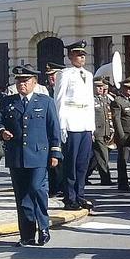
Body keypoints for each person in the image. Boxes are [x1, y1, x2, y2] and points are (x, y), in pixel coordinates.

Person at [0, 66, 62, 246]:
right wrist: (2, 132)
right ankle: (27, 234)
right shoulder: (8, 102)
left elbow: (53, 128)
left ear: (34, 82)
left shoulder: (45, 102)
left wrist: (55, 153)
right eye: (18, 81)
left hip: (39, 154)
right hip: (16, 155)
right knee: (22, 196)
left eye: (25, 81)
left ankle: (44, 227)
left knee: (36, 189)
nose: (21, 84)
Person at [54, 40, 95, 210]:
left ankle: (80, 195)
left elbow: (90, 101)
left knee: (82, 163)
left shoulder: (89, 75)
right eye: (78, 55)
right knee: (70, 163)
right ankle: (70, 197)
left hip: (85, 122)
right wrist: (61, 125)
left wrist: (92, 126)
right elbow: (59, 100)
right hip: (71, 121)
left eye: (83, 55)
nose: (82, 58)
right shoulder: (64, 74)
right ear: (70, 56)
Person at [111, 78, 130, 191]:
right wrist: (121, 136)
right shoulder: (118, 101)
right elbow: (116, 120)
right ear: (122, 88)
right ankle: (122, 182)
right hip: (125, 135)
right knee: (123, 160)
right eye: (127, 88)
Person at [88, 77, 114, 185]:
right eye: (98, 86)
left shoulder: (104, 99)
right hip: (97, 132)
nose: (100, 89)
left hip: (105, 131)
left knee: (96, 157)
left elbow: (107, 116)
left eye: (101, 87)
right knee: (103, 156)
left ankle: (85, 175)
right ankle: (106, 179)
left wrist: (110, 130)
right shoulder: (90, 100)